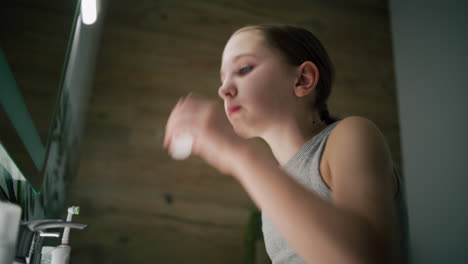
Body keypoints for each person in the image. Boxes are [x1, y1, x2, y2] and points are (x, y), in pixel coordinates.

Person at [163, 24, 408, 264]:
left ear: (303, 79)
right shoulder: (275, 184)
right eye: (222, 77)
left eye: (244, 69)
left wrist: (238, 154)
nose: (223, 89)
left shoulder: (351, 134)